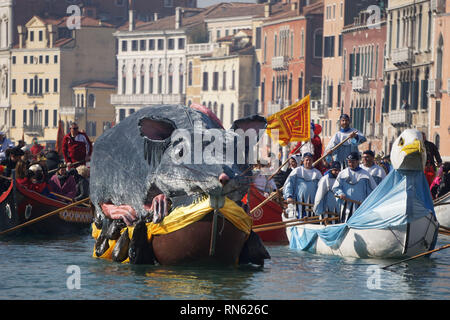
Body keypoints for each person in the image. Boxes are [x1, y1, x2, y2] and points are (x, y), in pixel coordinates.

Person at [332, 152, 377, 222]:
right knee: (345, 224)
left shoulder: (365, 175)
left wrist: (368, 202)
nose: (351, 164)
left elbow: (372, 190)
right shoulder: (342, 174)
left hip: (360, 207)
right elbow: (336, 187)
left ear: (357, 161)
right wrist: (340, 193)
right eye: (349, 162)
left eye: (353, 162)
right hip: (346, 206)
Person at [283, 152, 322, 219]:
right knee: (299, 217)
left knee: (312, 219)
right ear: (303, 161)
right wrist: (289, 196)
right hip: (299, 202)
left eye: (310, 160)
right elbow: (289, 184)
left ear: (312, 161)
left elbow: (321, 189)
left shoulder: (317, 173)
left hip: (312, 204)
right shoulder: (297, 171)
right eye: (306, 160)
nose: (308, 162)